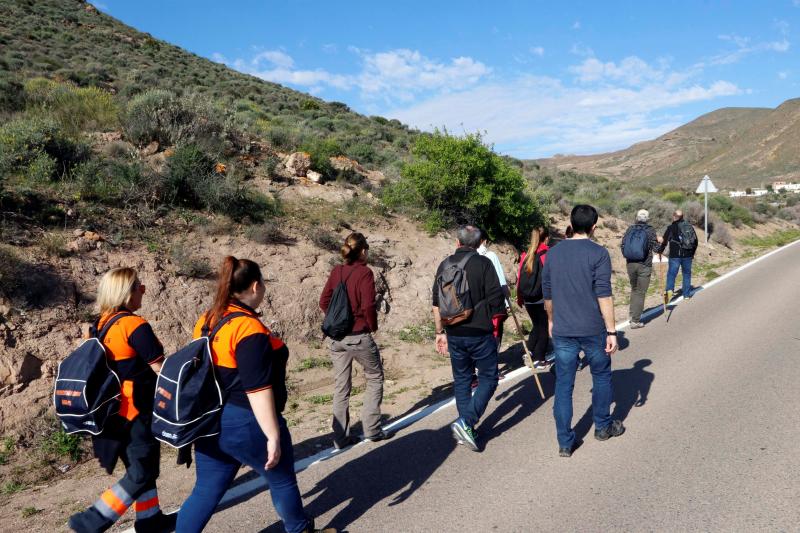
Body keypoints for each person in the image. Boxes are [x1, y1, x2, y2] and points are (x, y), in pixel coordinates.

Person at [178, 257, 331, 533]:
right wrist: (272, 435)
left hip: (210, 420)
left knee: (205, 492)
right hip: (245, 420)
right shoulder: (249, 329)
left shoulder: (207, 319)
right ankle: (299, 530)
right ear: (255, 286)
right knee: (281, 478)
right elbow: (257, 389)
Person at [69, 268, 174, 533]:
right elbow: (160, 368)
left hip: (111, 413)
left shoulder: (101, 324)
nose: (143, 289)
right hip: (134, 411)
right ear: (126, 293)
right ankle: (92, 519)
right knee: (141, 472)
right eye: (139, 285)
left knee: (143, 467)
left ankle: (151, 520)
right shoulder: (133, 325)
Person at [543, 205, 625, 458]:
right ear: (594, 227)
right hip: (592, 328)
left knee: (564, 385)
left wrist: (551, 320)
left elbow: (547, 293)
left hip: (564, 329)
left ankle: (565, 442)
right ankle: (602, 426)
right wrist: (612, 331)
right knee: (601, 376)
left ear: (570, 223)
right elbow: (604, 293)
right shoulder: (598, 253)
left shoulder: (553, 253)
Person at [432, 225, 506, 452]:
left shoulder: (444, 264)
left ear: (457, 242)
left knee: (463, 380)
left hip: (453, 332)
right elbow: (496, 302)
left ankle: (467, 425)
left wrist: (439, 332)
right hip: (479, 332)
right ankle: (466, 422)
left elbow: (436, 304)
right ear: (478, 243)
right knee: (489, 378)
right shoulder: (484, 264)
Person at [319, 232, 389, 450]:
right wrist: (371, 326)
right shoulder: (365, 273)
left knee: (341, 386)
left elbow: (324, 302)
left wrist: (337, 319)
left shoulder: (337, 271)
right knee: (375, 377)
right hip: (359, 335)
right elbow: (368, 305)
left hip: (337, 338)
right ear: (363, 251)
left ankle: (340, 437)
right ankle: (372, 429)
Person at [620, 209, 662, 328]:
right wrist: (661, 242)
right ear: (647, 219)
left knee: (634, 289)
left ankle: (633, 314)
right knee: (641, 292)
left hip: (630, 264)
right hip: (644, 264)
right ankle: (635, 320)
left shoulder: (630, 229)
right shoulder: (650, 230)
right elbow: (657, 249)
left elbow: (623, 245)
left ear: (637, 218)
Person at [516, 226, 551, 369]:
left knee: (537, 325)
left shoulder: (525, 254)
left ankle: (529, 351)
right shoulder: (546, 253)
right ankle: (540, 358)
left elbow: (519, 278)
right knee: (543, 327)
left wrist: (519, 298)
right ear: (546, 238)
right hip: (542, 297)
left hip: (528, 298)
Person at [656, 209, 698, 300]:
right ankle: (686, 295)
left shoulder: (671, 227)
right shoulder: (689, 226)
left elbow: (664, 241)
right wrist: (692, 253)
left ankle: (668, 296)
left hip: (675, 255)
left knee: (671, 274)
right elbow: (695, 241)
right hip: (688, 255)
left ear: (674, 216)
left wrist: (660, 251)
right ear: (682, 217)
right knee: (686, 274)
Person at [477, 232, 510, 346]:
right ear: (485, 241)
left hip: (475, 304)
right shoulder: (490, 255)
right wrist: (506, 302)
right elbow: (501, 280)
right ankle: (493, 355)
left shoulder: (469, 256)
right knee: (495, 331)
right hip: (493, 303)